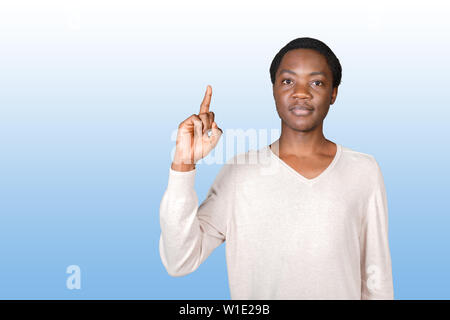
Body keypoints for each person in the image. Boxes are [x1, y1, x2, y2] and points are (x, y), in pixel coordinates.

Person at [159, 37, 394, 300]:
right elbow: (179, 260)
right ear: (273, 89)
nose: (301, 92)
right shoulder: (241, 174)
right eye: (288, 81)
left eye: (316, 82)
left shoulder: (363, 171)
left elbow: (377, 276)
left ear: (334, 93)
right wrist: (183, 163)